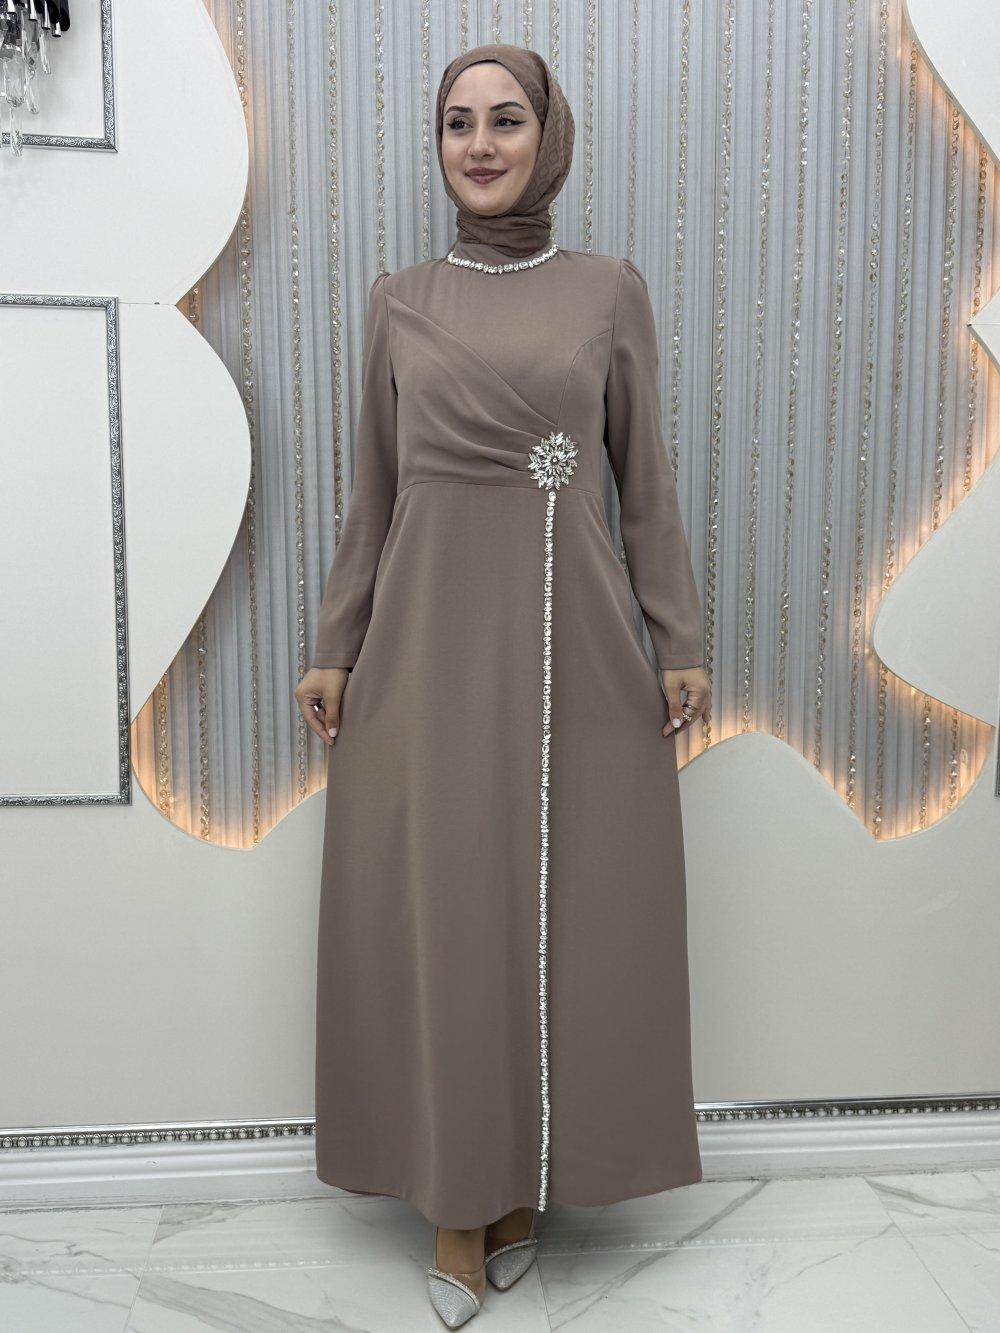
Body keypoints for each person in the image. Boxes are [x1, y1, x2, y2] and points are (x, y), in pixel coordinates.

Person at [294, 42, 711, 1328]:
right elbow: (374, 493)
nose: (479, 144)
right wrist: (335, 641)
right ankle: (457, 1202)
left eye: (506, 119)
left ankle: (527, 1180)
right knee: (449, 909)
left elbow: (643, 483)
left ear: (548, 136)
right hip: (424, 644)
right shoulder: (400, 301)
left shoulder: (607, 291)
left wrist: (678, 636)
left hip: (571, 640)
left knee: (564, 903)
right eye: (457, 123)